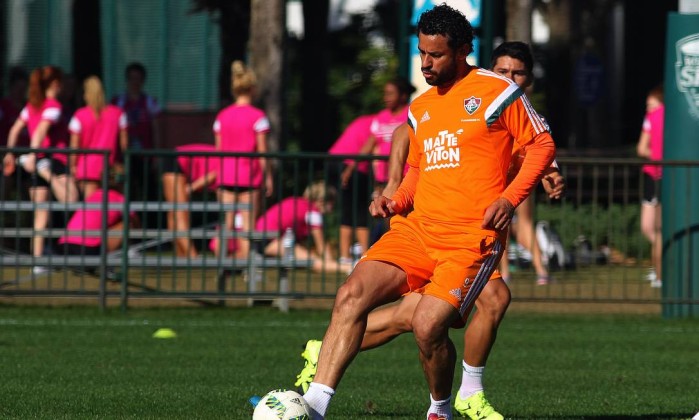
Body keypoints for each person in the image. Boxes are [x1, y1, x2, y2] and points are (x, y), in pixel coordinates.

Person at [297, 5, 556, 420]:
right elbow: (418, 169)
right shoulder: (419, 109)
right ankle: (314, 406)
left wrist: (509, 199)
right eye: (421, 53)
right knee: (350, 295)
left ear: (463, 51)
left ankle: (440, 408)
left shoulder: (498, 91)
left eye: (435, 55)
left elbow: (542, 145)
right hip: (418, 231)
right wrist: (394, 200)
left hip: (471, 238)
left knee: (426, 325)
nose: (425, 64)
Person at [2, 66, 79, 273]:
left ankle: (38, 261)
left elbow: (15, 129)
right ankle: (46, 172)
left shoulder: (31, 105)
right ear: (55, 84)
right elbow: (40, 131)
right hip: (52, 160)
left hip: (36, 160)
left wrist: (10, 153)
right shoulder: (53, 105)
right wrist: (35, 155)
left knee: (40, 215)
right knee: (71, 199)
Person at [210, 182, 352, 274]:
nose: (332, 208)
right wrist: (331, 262)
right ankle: (347, 268)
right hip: (269, 238)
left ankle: (226, 267)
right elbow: (322, 247)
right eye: (331, 204)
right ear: (321, 201)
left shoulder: (296, 201)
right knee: (312, 261)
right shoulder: (313, 212)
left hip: (263, 235)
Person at [211, 60, 273, 259]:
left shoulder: (221, 116)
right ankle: (248, 269)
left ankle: (220, 265)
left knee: (226, 224)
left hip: (226, 175)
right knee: (248, 225)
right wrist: (268, 176)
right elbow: (262, 151)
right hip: (249, 176)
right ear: (252, 89)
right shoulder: (258, 116)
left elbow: (219, 150)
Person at [340, 77, 415, 244]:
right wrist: (350, 169)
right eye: (385, 94)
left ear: (403, 96)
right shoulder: (381, 117)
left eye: (390, 94)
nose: (386, 98)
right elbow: (368, 145)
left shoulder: (412, 113)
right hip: (384, 179)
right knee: (386, 216)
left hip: (406, 178)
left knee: (403, 217)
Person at [69, 76, 128, 198]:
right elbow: (124, 145)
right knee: (114, 209)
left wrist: (72, 166)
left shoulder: (79, 115)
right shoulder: (118, 113)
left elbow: (74, 146)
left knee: (92, 211)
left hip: (87, 169)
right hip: (111, 169)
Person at [327, 114, 374, 264]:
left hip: (335, 160)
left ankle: (345, 256)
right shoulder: (382, 122)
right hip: (352, 165)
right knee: (360, 212)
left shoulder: (365, 120)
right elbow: (373, 147)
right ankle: (364, 256)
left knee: (347, 210)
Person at [111, 62, 161, 203]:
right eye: (132, 78)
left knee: (148, 190)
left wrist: (156, 154)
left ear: (143, 80)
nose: (135, 82)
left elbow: (156, 129)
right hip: (124, 155)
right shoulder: (118, 101)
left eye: (138, 78)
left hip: (145, 154)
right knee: (126, 189)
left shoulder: (150, 102)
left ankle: (148, 222)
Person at [161, 143, 219, 258]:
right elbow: (213, 175)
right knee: (180, 212)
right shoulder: (232, 164)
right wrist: (191, 188)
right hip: (178, 159)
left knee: (173, 212)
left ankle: (181, 256)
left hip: (175, 158)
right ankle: (192, 256)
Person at [57, 188, 137, 269]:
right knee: (127, 224)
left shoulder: (93, 195)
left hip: (64, 246)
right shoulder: (120, 198)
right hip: (87, 249)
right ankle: (127, 252)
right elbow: (134, 221)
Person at [636, 84, 663, 288]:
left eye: (650, 104)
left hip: (657, 175)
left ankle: (660, 272)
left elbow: (641, 148)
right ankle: (660, 268)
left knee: (653, 229)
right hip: (657, 175)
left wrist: (656, 157)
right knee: (655, 229)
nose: (648, 108)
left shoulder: (653, 117)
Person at [0, 66, 29, 147]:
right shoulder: (3, 106)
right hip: (6, 154)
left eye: (23, 89)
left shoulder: (29, 107)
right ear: (11, 87)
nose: (21, 93)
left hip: (26, 154)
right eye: (18, 89)